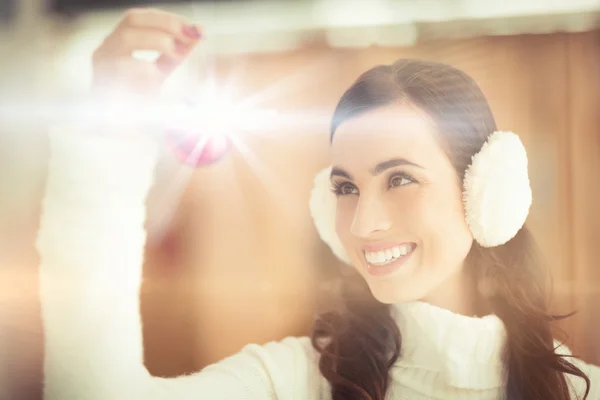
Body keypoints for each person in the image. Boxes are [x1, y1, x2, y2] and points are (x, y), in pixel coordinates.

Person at [36, 8, 599, 400]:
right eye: (346, 187)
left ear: (484, 191)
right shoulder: (294, 380)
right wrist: (105, 137)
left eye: (400, 178)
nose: (364, 224)